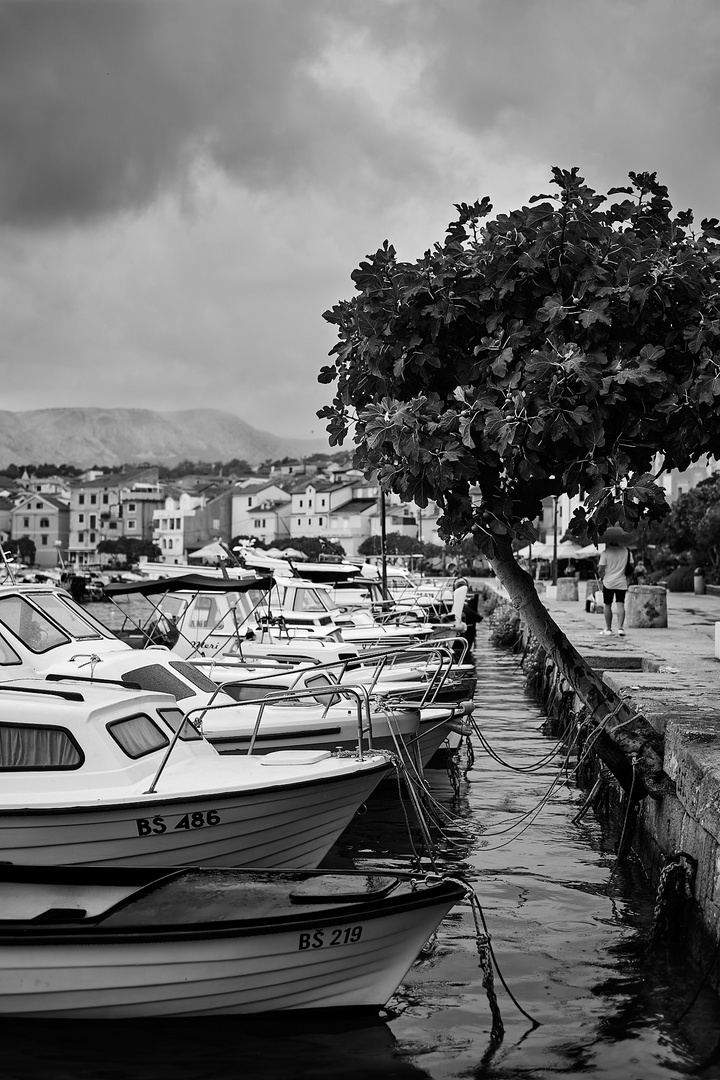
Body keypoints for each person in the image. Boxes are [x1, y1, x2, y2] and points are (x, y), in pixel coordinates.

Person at [597, 541, 633, 636]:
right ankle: (620, 628)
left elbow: (600, 569)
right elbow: (632, 566)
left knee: (607, 605)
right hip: (621, 582)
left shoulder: (606, 552)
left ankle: (608, 629)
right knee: (620, 604)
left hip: (608, 582)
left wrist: (601, 576)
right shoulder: (626, 551)